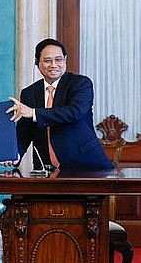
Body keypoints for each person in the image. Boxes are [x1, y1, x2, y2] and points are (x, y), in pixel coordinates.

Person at [8, 38, 113, 171]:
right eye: (47, 61)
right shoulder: (29, 92)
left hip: (86, 166)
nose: (54, 65)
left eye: (59, 60)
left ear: (65, 60)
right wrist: (15, 154)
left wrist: (34, 113)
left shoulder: (80, 84)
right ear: (37, 62)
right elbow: (24, 131)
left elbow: (74, 113)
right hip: (46, 169)